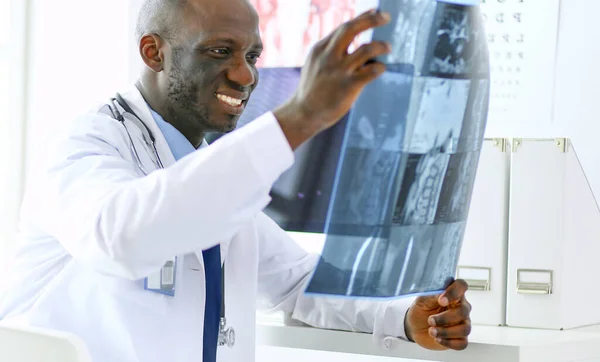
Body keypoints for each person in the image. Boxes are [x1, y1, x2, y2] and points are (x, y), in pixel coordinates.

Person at [0, 0, 472, 361]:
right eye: (219, 51)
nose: (245, 75)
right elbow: (122, 238)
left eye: (252, 54)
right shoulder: (84, 144)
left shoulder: (208, 174)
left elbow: (296, 281)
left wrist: (407, 315)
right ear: (154, 52)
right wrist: (300, 116)